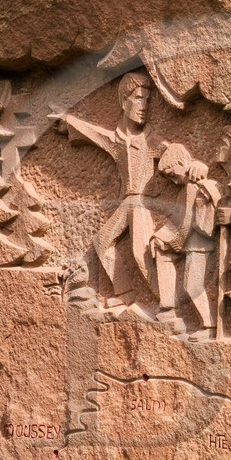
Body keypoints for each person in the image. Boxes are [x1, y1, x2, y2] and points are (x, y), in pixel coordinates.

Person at [55, 69, 161, 306]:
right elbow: (94, 134)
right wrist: (68, 122)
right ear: (124, 101)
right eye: (138, 98)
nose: (144, 105)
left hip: (142, 203)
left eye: (148, 100)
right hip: (128, 203)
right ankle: (125, 294)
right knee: (102, 242)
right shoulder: (118, 141)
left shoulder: (150, 140)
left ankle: (167, 304)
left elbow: (173, 152)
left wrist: (192, 165)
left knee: (140, 253)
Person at [150, 143, 222, 337]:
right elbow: (177, 220)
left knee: (192, 286)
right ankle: (168, 306)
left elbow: (186, 224)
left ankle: (209, 325)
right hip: (191, 242)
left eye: (173, 175)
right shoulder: (186, 188)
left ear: (182, 163)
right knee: (163, 253)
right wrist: (163, 239)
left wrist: (172, 243)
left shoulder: (192, 186)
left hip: (197, 244)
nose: (173, 182)